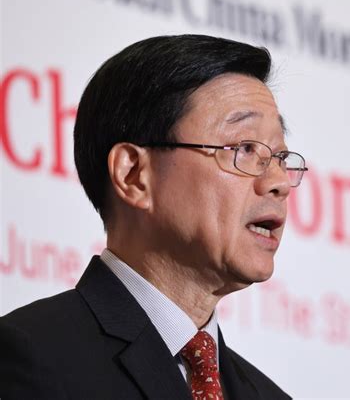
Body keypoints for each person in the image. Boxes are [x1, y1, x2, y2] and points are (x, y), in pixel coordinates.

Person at [0, 35, 307, 399]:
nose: (278, 183)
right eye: (244, 148)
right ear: (133, 175)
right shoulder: (32, 356)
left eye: (280, 157)